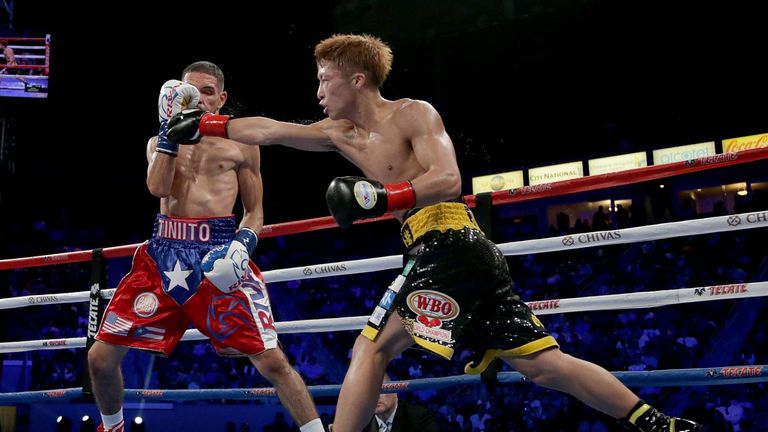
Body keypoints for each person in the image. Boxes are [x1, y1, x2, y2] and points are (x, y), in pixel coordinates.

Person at [166, 35, 704, 432]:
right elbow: (271, 130)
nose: (317, 90)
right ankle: (658, 423)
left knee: (370, 349)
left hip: (450, 240)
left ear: (357, 78)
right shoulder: (339, 133)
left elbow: (448, 179)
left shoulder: (412, 115)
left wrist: (384, 196)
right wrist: (203, 125)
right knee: (542, 367)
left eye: (325, 78)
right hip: (452, 254)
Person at [87, 61, 325, 432]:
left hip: (217, 256)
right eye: (189, 92)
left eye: (208, 92)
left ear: (222, 98)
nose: (198, 99)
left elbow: (255, 211)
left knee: (272, 362)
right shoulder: (158, 141)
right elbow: (159, 189)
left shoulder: (243, 142)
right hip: (162, 256)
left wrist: (242, 246)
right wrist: (169, 133)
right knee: (100, 359)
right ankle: (113, 428)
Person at [362, 383, 438, 432]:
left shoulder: (419, 416)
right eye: (370, 392)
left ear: (395, 392)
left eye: (381, 391)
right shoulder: (360, 422)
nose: (376, 397)